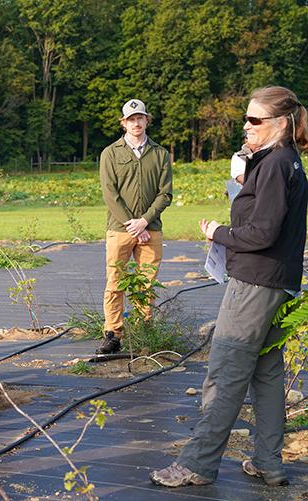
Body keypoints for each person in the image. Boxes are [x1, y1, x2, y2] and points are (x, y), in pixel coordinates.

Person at [151, 86, 308, 488]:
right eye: (246, 118)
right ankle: (268, 462)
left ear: (280, 125)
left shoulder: (275, 164)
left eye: (255, 120)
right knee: (267, 372)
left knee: (225, 372)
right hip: (279, 283)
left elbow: (263, 232)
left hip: (255, 283)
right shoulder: (287, 162)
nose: (246, 125)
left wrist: (219, 232)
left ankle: (197, 464)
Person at [97, 99, 172, 355]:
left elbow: (165, 194)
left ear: (147, 120)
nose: (136, 123)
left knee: (146, 283)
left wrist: (144, 221)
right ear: (124, 123)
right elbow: (109, 193)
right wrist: (133, 225)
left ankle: (143, 330)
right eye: (131, 119)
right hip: (119, 229)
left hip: (151, 228)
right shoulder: (110, 153)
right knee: (115, 281)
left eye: (140, 118)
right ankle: (113, 334)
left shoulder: (160, 154)